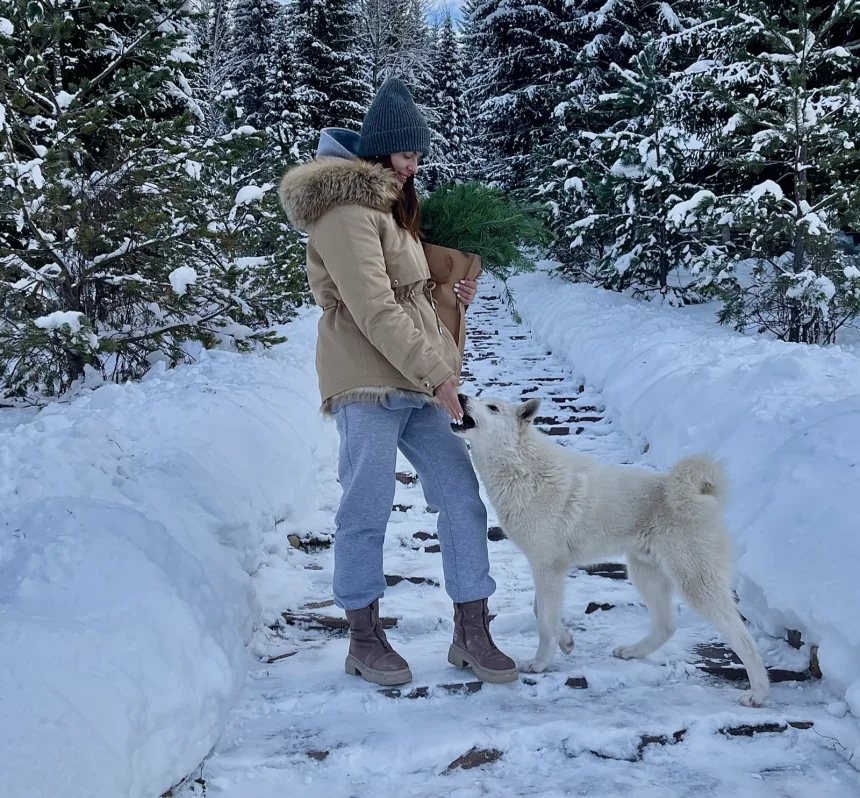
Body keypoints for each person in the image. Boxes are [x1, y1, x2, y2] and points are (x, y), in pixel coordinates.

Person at [279, 78, 517, 687]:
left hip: (412, 381)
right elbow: (373, 308)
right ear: (380, 150)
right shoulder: (342, 212)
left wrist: (451, 294)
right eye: (407, 154)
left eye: (417, 155)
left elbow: (408, 298)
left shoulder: (386, 210)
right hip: (365, 381)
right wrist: (440, 375)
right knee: (368, 503)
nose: (415, 166)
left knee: (460, 497)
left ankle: (472, 629)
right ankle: (364, 636)